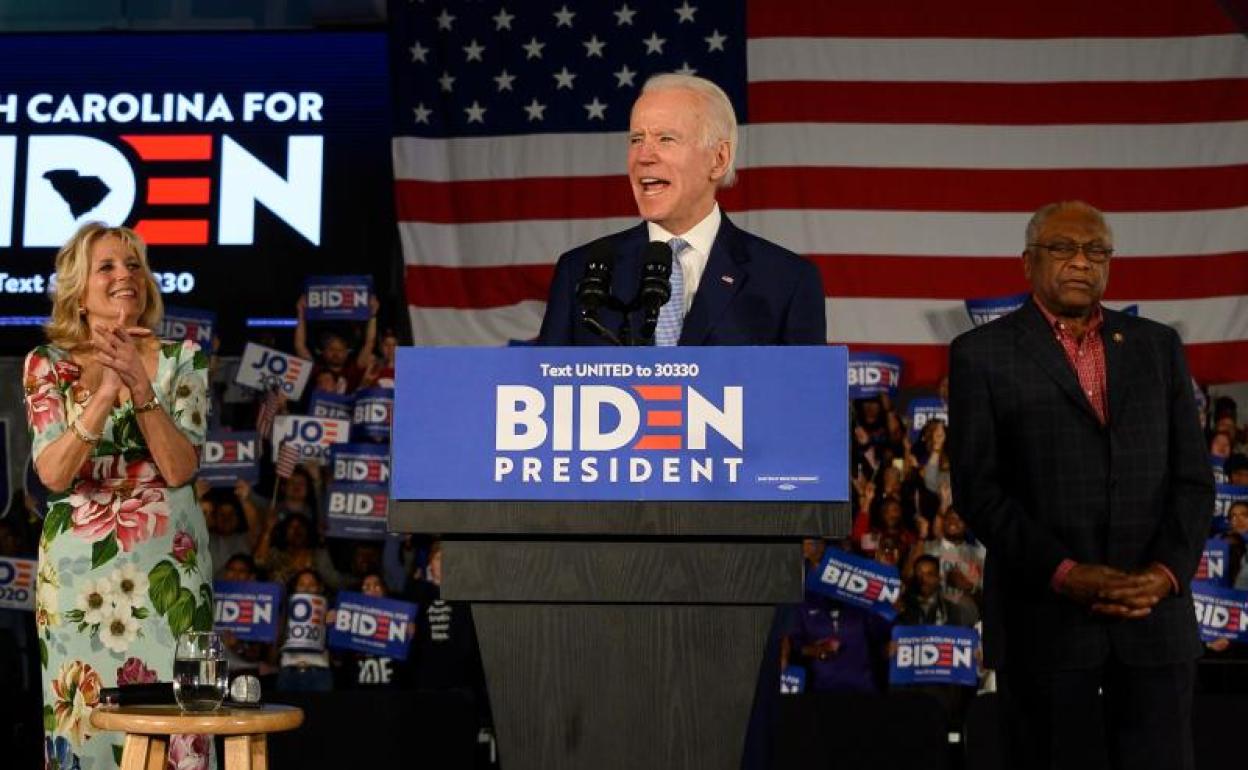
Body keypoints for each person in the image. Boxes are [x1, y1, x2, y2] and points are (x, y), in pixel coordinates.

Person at [948, 200, 1214, 769]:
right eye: (1063, 248)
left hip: (1153, 623)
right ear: (1028, 263)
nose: (1081, 262)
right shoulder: (982, 355)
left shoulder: (1156, 346)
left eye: (1096, 251)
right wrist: (1064, 572)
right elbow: (980, 490)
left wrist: (1164, 574)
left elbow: (1192, 481)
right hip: (1044, 624)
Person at [23, 222, 212, 770]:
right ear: (79, 291)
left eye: (133, 266)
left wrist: (140, 387)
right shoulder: (47, 364)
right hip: (78, 585)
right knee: (84, 731)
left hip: (168, 575)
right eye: (107, 266)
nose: (124, 276)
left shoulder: (185, 358)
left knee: (180, 729)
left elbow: (180, 468)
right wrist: (104, 394)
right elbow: (54, 474)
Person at [538, 73, 825, 346]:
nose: (644, 156)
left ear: (719, 159)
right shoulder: (580, 273)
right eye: (636, 139)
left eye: (665, 139)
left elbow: (804, 393)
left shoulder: (786, 280)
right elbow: (547, 386)